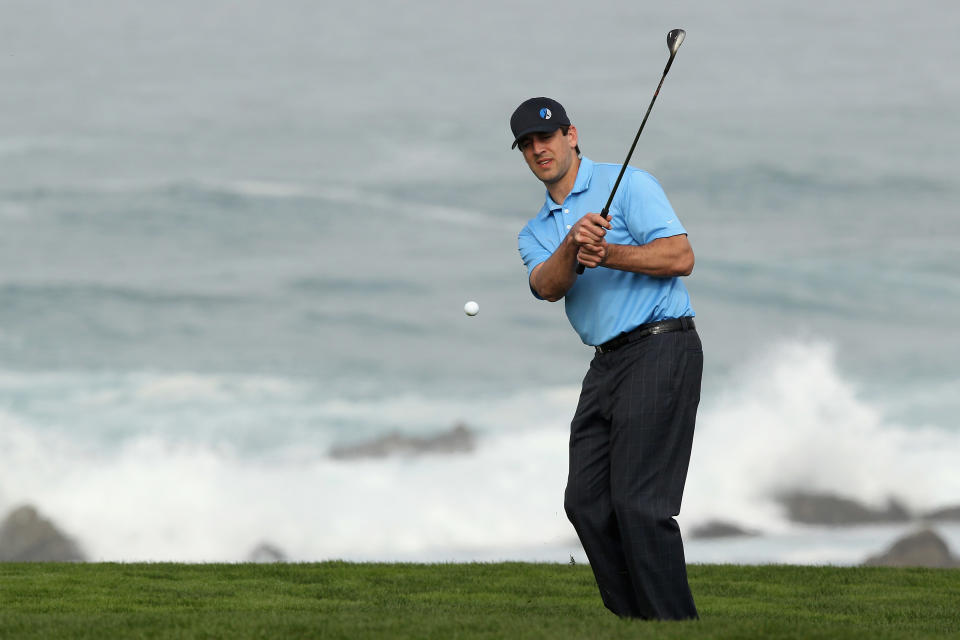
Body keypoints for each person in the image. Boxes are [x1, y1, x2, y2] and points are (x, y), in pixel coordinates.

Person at [511, 97, 701, 620]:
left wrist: (609, 251)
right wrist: (574, 245)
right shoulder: (535, 231)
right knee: (586, 503)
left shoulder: (630, 183)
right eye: (527, 144)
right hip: (607, 363)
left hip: (662, 344)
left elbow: (680, 256)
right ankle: (635, 622)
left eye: (545, 137)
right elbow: (546, 286)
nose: (538, 149)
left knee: (640, 505)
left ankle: (673, 624)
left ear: (571, 135)